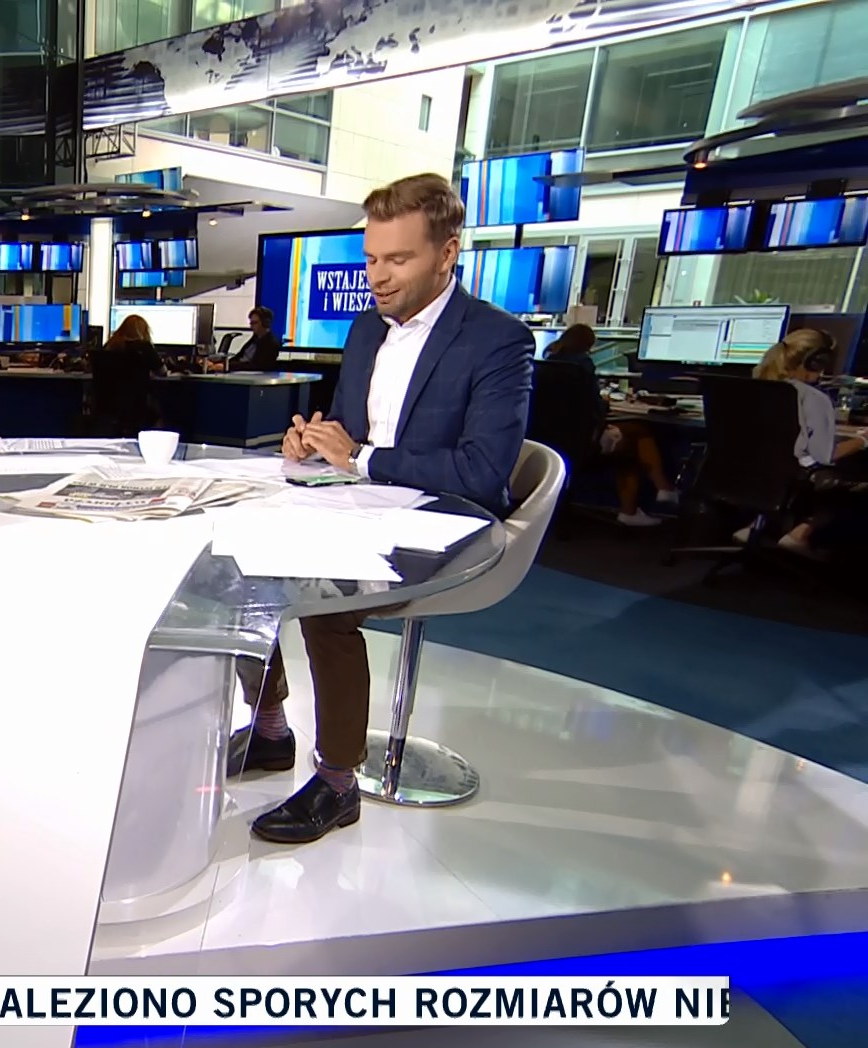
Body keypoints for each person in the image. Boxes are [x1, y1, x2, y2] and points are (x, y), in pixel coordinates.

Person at [238, 172, 533, 845]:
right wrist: (314, 443)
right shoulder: (367, 328)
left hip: (445, 523)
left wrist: (362, 458)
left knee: (325, 598)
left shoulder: (498, 341)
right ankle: (271, 728)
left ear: (447, 254)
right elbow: (350, 430)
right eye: (371, 258)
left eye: (398, 259)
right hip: (360, 504)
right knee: (241, 560)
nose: (377, 275)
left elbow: (482, 475)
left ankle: (338, 782)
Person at [542, 323, 677, 526]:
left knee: (631, 437)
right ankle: (654, 495)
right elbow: (594, 408)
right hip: (582, 444)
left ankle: (657, 493)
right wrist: (604, 402)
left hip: (549, 442)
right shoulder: (581, 365)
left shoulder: (548, 363)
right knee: (637, 435)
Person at [753, 328, 867, 555]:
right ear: (817, 362)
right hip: (793, 476)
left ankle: (756, 526)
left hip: (751, 473)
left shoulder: (757, 387)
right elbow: (825, 455)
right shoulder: (814, 398)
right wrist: (862, 440)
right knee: (854, 478)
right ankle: (801, 533)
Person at [86, 314, 165, 436]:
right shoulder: (145, 348)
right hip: (137, 407)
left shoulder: (109, 346)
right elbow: (162, 372)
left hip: (107, 407)